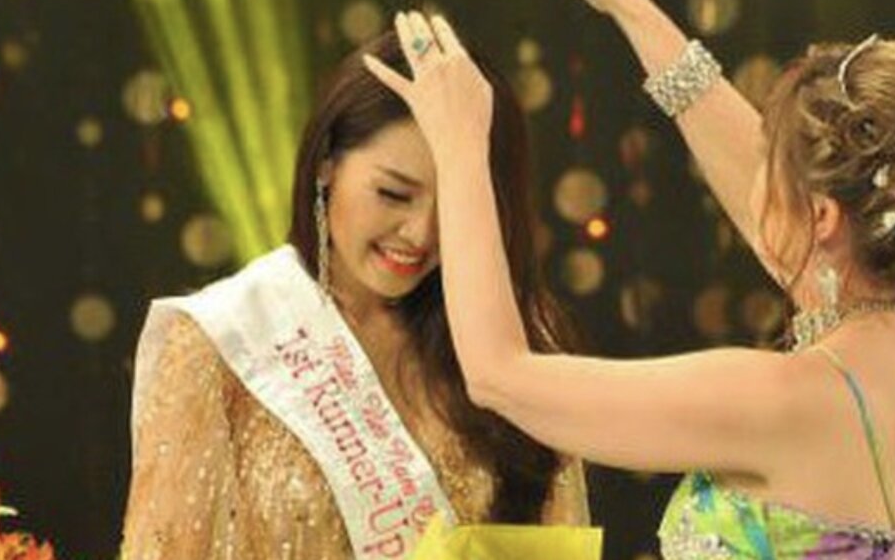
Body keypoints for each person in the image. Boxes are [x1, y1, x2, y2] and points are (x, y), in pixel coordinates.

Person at [364, 0, 895, 559]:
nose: (756, 174)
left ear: (823, 217)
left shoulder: (780, 401)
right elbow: (772, 205)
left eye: (775, 162)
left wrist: (458, 143)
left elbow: (499, 376)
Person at [120, 31, 589, 560]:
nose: (421, 232)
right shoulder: (220, 342)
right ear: (327, 164)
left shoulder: (510, 338)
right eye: (393, 193)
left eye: (455, 203)